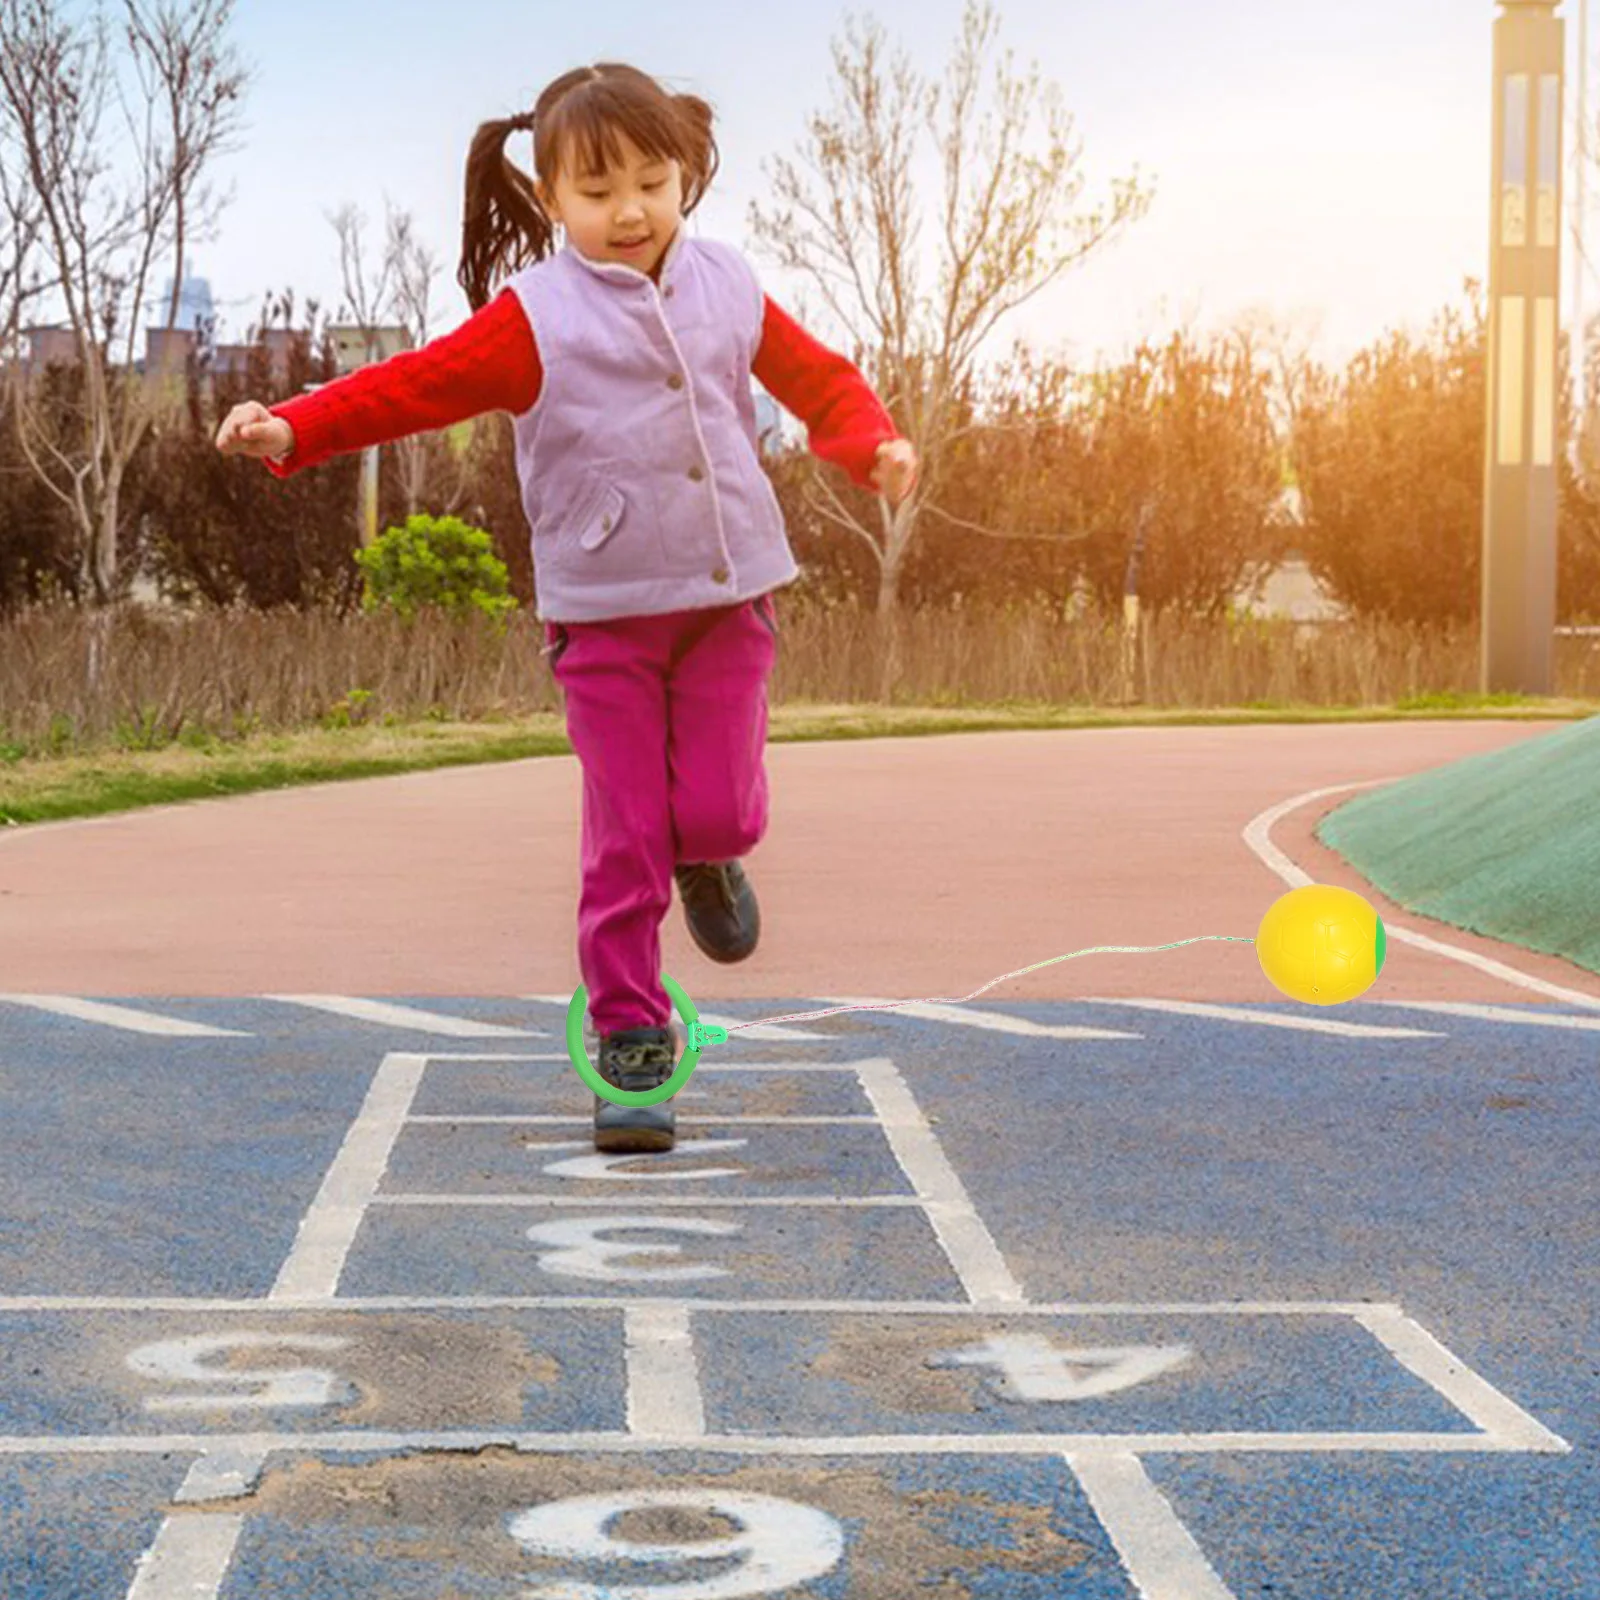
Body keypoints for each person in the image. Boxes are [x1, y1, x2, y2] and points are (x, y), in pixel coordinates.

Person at [216, 61, 919, 1155]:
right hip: (602, 615)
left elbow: (818, 378)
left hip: (729, 597)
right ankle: (630, 1038)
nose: (629, 209)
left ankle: (712, 854)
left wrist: (871, 442)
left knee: (720, 811)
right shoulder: (532, 317)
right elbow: (413, 382)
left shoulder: (730, 284)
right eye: (596, 192)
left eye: (650, 180)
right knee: (625, 835)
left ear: (686, 172)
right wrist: (296, 427)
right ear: (549, 200)